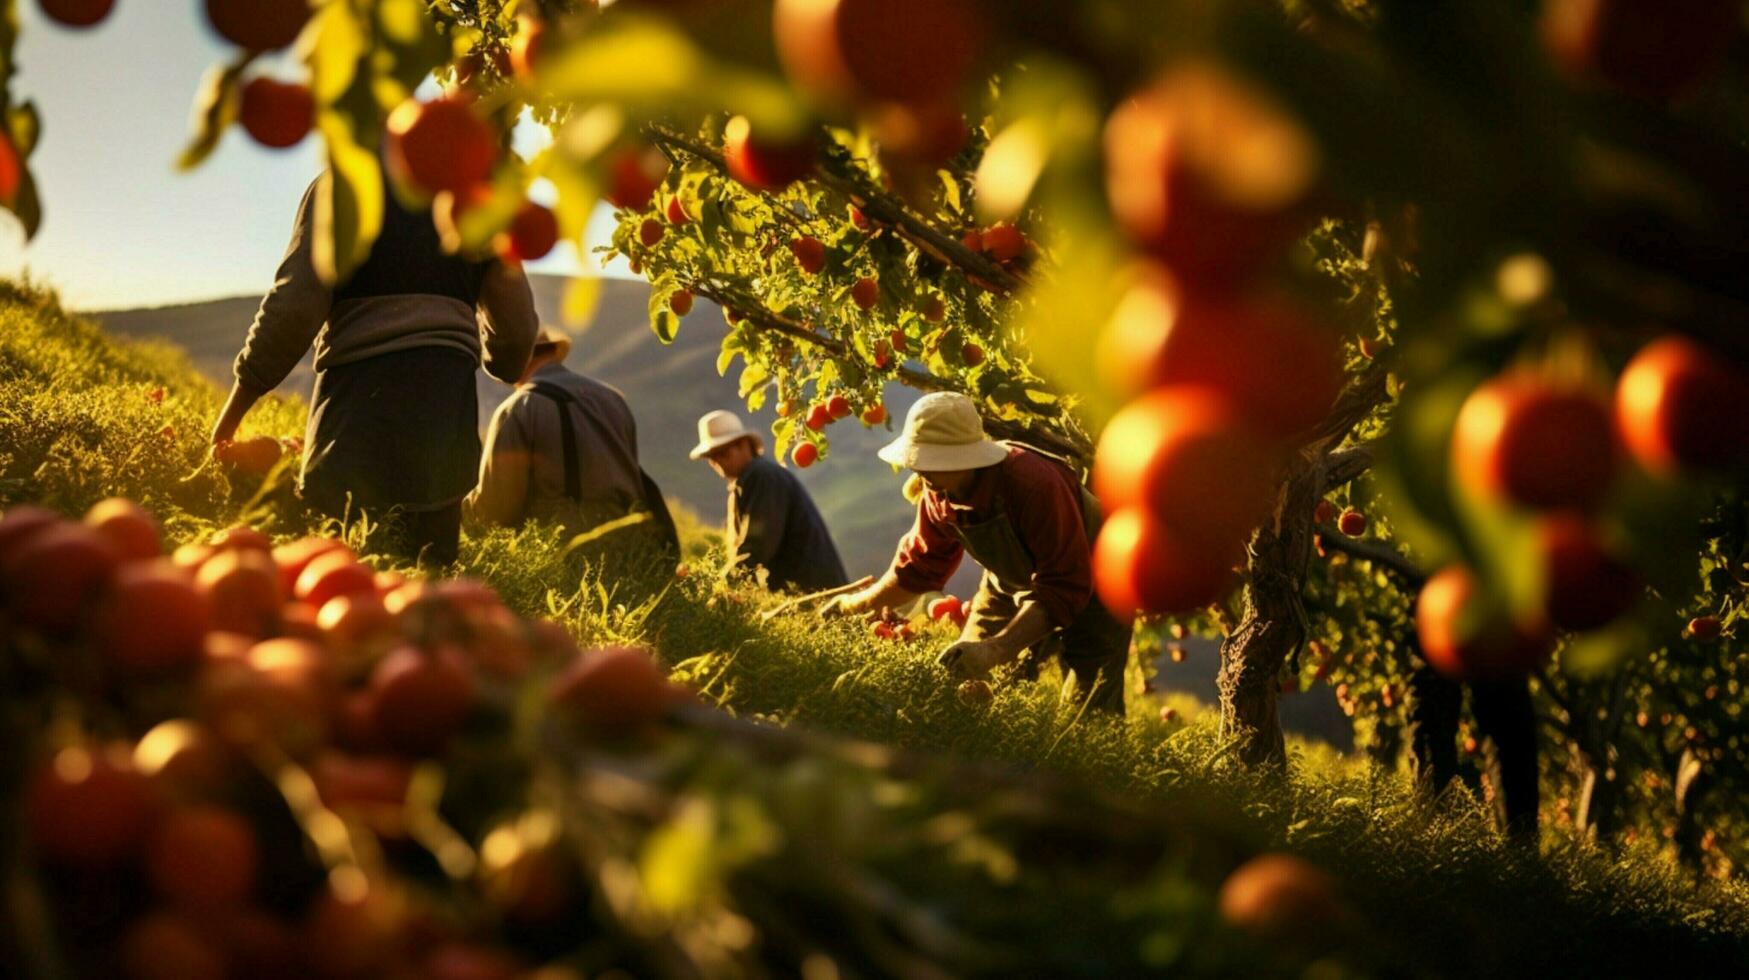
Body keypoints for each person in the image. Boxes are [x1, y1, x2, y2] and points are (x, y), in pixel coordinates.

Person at [212, 172, 538, 565]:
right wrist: (499, 362)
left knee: (339, 571)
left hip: (356, 410)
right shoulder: (475, 192)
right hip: (445, 416)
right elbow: (518, 332)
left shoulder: (342, 183)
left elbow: (295, 306)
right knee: (427, 584)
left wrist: (229, 420)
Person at [820, 393, 1131, 714]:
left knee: (1087, 713)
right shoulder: (939, 489)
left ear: (962, 459)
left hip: (1098, 585)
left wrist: (997, 649)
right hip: (1010, 583)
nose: (916, 467)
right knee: (960, 685)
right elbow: (918, 567)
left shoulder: (1033, 484)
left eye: (928, 460)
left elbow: (1063, 586)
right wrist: (851, 607)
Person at [467, 325, 678, 564]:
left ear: (515, 358)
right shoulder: (613, 399)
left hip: (566, 555)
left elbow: (498, 507)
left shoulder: (519, 407)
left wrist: (460, 514)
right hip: (629, 550)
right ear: (552, 352)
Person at [691, 410, 848, 592]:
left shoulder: (762, 477)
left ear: (743, 445)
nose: (716, 462)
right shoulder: (749, 482)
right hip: (806, 595)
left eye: (721, 453)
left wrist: (722, 587)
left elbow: (757, 545)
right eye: (711, 457)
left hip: (813, 595)